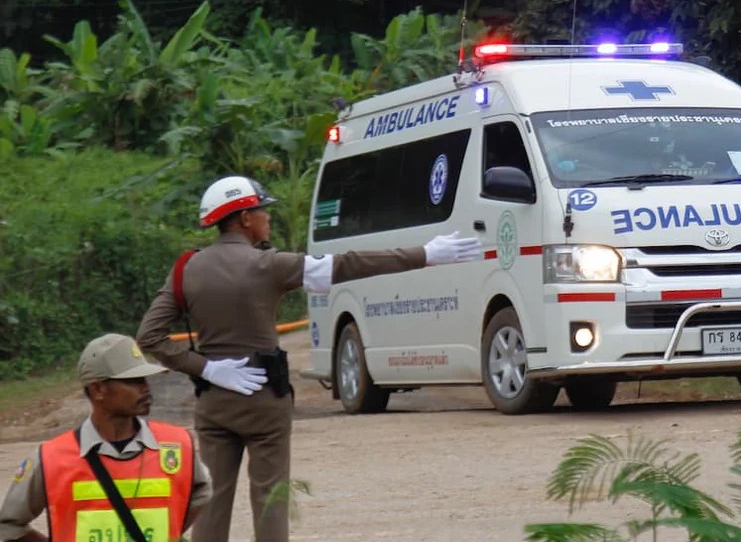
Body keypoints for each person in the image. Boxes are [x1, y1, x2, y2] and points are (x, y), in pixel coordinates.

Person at [136, 175, 481, 542]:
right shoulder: (269, 265)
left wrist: (207, 368)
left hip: (213, 401)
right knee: (271, 497)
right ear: (244, 218)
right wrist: (425, 255)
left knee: (212, 498)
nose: (267, 217)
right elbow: (351, 264)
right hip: (265, 399)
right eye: (262, 210)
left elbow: (149, 336)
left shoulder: (187, 269)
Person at [0, 333, 212, 542]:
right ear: (98, 389)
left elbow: (202, 491)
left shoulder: (177, 444)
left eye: (145, 379)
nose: (147, 388)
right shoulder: (50, 458)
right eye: (134, 381)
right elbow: (8, 525)